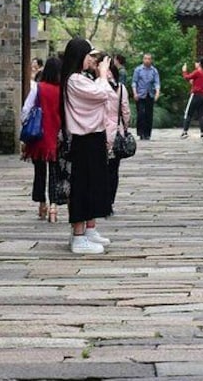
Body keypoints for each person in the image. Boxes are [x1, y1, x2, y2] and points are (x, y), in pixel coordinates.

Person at [60, 38, 113, 254]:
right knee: (83, 186)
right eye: (89, 55)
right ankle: (79, 235)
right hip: (85, 138)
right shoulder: (74, 80)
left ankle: (89, 229)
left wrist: (100, 77)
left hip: (93, 137)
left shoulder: (81, 78)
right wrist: (102, 74)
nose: (92, 59)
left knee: (94, 185)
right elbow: (103, 94)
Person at [21, 57, 63, 222]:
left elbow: (26, 109)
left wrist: (25, 128)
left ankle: (42, 204)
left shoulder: (38, 88)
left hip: (39, 136)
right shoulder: (63, 90)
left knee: (39, 172)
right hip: (56, 136)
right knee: (55, 172)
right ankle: (54, 207)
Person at [104, 62, 131, 215]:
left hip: (99, 132)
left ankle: (101, 201)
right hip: (116, 132)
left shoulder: (97, 86)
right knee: (113, 170)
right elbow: (125, 111)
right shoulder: (121, 89)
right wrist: (125, 128)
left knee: (100, 169)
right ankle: (110, 202)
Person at [132, 53, 160, 140]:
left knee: (148, 114)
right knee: (141, 114)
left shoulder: (154, 71)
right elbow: (134, 82)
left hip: (149, 94)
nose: (147, 60)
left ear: (151, 60)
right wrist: (135, 93)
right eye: (145, 59)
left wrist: (157, 93)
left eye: (149, 59)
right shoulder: (138, 70)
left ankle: (147, 133)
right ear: (143, 59)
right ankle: (141, 133)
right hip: (140, 94)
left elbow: (157, 83)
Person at [180, 58, 203, 139]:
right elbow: (195, 82)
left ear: (199, 63)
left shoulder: (197, 72)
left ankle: (185, 131)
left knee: (188, 113)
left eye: (196, 63)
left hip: (196, 96)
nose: (195, 65)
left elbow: (187, 77)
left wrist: (184, 70)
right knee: (201, 115)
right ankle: (202, 133)